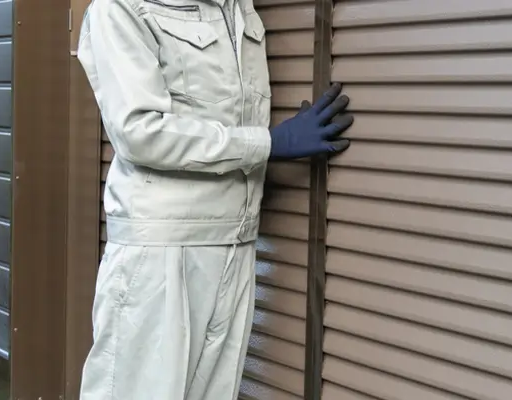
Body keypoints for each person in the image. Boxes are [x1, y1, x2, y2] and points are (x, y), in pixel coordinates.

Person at [75, 0, 351, 398]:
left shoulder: (238, 6)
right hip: (162, 251)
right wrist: (268, 143)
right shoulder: (122, 8)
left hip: (235, 244)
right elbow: (139, 132)